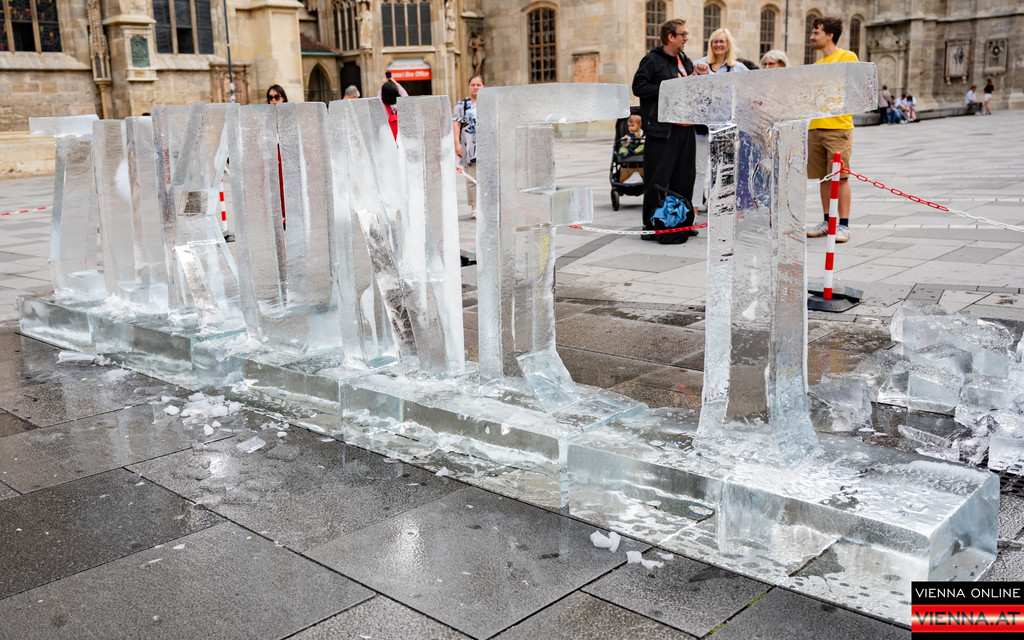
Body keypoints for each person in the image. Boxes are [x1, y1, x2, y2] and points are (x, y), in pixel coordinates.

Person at [632, 19, 707, 244]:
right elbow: (639, 87)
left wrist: (699, 77)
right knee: (658, 178)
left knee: (685, 178)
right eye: (683, 34)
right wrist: (668, 88)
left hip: (686, 128)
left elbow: (690, 90)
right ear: (670, 37)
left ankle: (681, 222)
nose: (687, 38)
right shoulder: (652, 60)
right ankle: (650, 224)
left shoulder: (685, 61)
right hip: (663, 130)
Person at [804, 16, 859, 243]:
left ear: (830, 35)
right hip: (815, 126)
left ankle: (843, 225)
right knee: (823, 178)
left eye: (816, 32)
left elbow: (850, 87)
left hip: (837, 127)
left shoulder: (847, 57)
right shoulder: (816, 66)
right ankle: (828, 222)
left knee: (841, 177)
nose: (812, 37)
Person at [453, 75, 483, 219]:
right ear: (469, 86)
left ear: (483, 86)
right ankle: (475, 207)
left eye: (478, 85)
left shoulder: (488, 102)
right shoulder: (462, 104)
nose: (475, 87)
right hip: (469, 146)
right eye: (473, 85)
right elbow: (456, 123)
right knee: (472, 178)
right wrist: (456, 144)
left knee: (489, 178)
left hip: (486, 146)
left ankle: (487, 205)